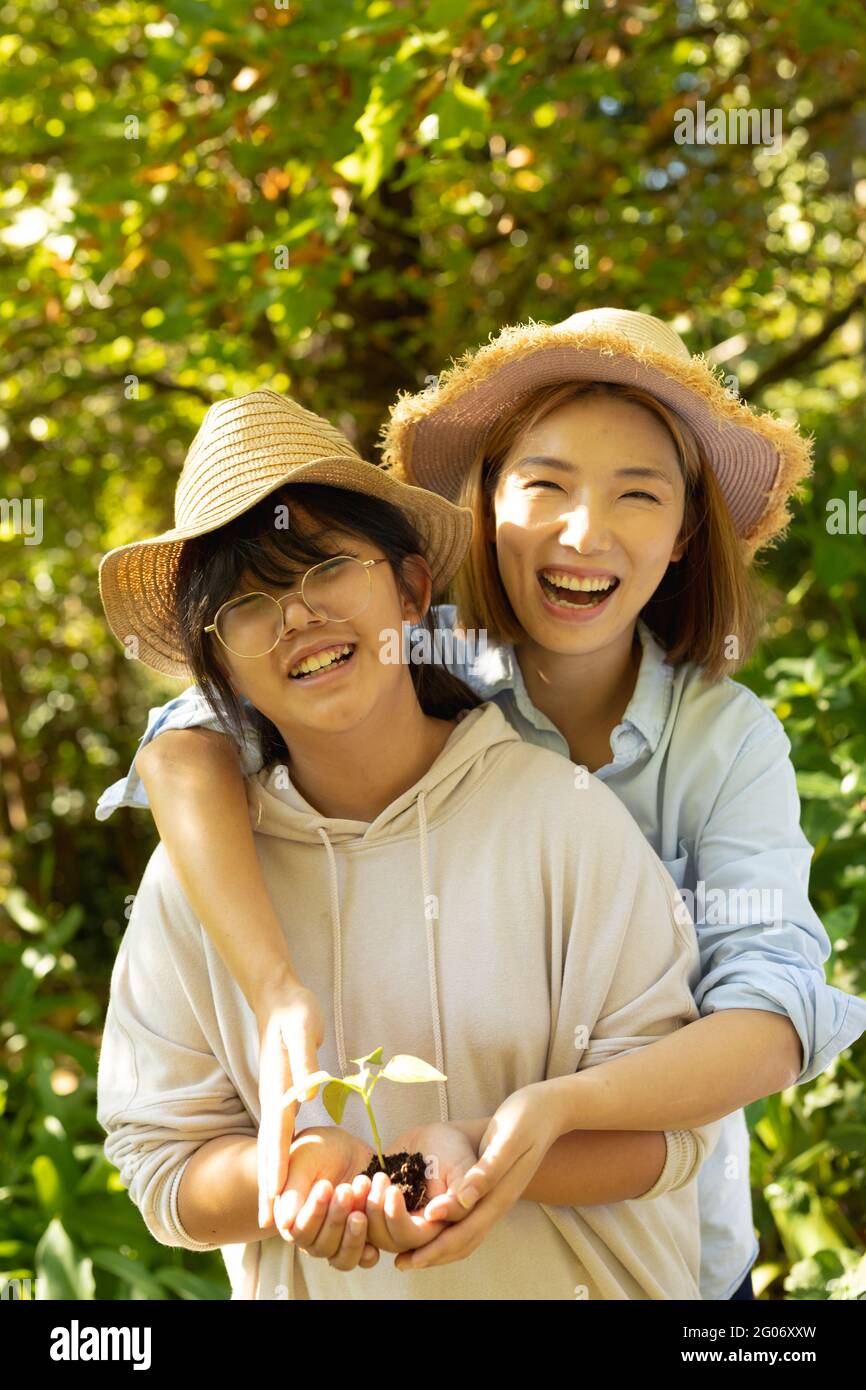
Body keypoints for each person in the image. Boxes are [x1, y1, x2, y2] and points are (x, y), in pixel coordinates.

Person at [96, 311, 866, 1301]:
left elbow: (769, 1019)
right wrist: (275, 989)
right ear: (487, 501)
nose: (582, 531)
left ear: (681, 533)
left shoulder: (712, 747)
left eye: (636, 493)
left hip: (645, 1254)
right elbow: (185, 735)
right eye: (544, 482)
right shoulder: (400, 663)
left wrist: (526, 1122)